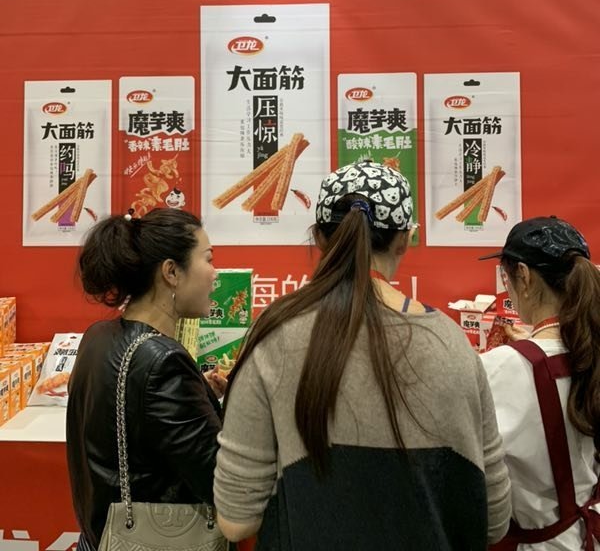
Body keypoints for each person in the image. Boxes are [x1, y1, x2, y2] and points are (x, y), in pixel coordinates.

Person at [214, 161, 511, 550]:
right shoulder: (454, 345)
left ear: (319, 237)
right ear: (404, 239)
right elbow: (493, 520)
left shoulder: (274, 335)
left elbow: (236, 521)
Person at [66, 208, 226, 551]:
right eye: (208, 259)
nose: (215, 274)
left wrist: (198, 393)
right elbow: (223, 483)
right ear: (171, 272)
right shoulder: (163, 361)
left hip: (98, 539)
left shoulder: (97, 337)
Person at [480, 216, 600, 550]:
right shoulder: (590, 350)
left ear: (524, 275)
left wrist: (520, 353)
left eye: (506, 277)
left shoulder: (496, 369)